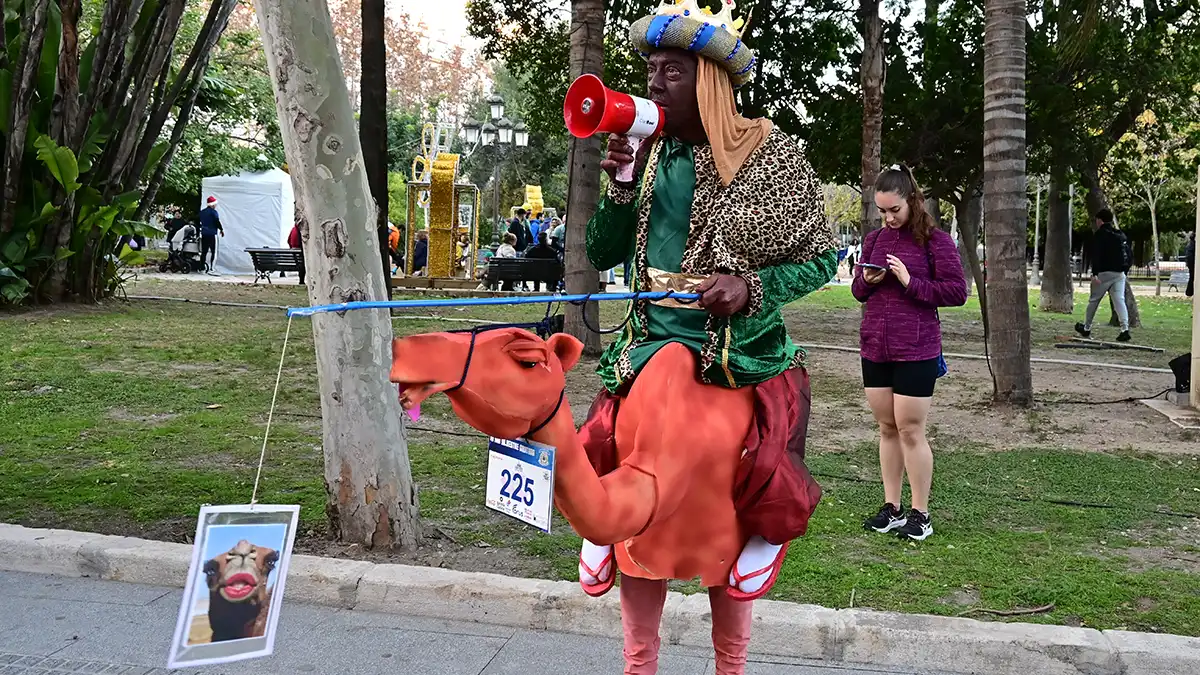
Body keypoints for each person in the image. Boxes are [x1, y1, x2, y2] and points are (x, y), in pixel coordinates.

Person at [581, 6, 840, 672]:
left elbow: (819, 257)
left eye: (672, 70)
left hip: (735, 354)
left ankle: (759, 532)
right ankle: (612, 537)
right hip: (646, 344)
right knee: (625, 420)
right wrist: (617, 183)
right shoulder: (649, 150)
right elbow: (602, 248)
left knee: (741, 465)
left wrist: (750, 288)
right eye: (650, 71)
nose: (655, 82)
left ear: (712, 82)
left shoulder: (770, 155)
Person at [851, 164, 967, 542]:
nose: (888, 218)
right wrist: (866, 282)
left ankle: (921, 513)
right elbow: (857, 291)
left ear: (912, 200)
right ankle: (893, 507)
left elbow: (955, 292)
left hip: (916, 348)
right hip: (876, 346)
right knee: (886, 428)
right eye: (882, 211)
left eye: (894, 210)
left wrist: (910, 282)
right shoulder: (873, 241)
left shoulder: (936, 241)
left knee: (911, 429)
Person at [1074, 208, 1133, 342]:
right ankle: (1125, 329)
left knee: (1094, 300)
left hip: (1104, 273)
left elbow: (1097, 255)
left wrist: (1095, 273)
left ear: (1100, 220)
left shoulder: (1100, 235)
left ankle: (1087, 327)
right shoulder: (1120, 234)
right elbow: (1129, 254)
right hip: (1119, 273)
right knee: (1119, 300)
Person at [198, 196, 223, 272]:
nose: (215, 206)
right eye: (215, 204)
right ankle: (212, 267)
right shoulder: (214, 212)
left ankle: (201, 267)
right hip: (212, 233)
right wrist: (221, 229)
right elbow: (216, 221)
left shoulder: (202, 212)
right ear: (212, 204)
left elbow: (198, 221)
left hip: (204, 233)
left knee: (204, 252)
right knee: (213, 251)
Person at [287, 216, 306, 285]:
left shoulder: (293, 229)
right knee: (303, 263)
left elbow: (288, 241)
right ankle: (302, 280)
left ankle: (301, 280)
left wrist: (292, 248)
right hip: (300, 255)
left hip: (294, 256)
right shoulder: (302, 231)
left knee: (301, 263)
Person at [1186, 233, 1195, 297]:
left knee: (1191, 278)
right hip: (1192, 264)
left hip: (1191, 264)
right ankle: (1189, 292)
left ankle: (1189, 292)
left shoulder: (1190, 245)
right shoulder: (1193, 245)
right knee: (1192, 277)